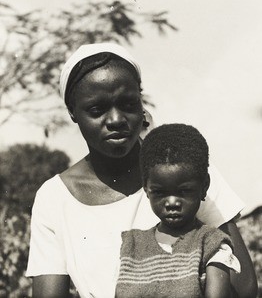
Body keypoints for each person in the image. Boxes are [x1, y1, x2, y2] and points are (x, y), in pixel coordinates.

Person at [26, 43, 257, 298]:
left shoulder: (184, 167)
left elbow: (244, 287)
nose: (115, 120)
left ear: (141, 101)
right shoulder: (54, 198)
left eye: (127, 104)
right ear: (72, 112)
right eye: (97, 110)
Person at [115, 123, 241, 298]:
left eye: (183, 191)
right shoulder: (132, 245)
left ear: (204, 186)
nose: (172, 202)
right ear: (146, 189)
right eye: (160, 192)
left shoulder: (211, 244)